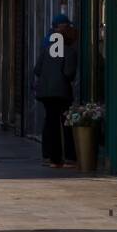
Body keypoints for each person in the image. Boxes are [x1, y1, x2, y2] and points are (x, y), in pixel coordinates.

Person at [32, 14, 78, 167]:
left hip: (46, 92)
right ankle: (70, 157)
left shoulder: (46, 49)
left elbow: (37, 69)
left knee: (50, 122)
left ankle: (51, 158)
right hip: (62, 91)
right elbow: (69, 73)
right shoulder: (69, 51)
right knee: (65, 122)